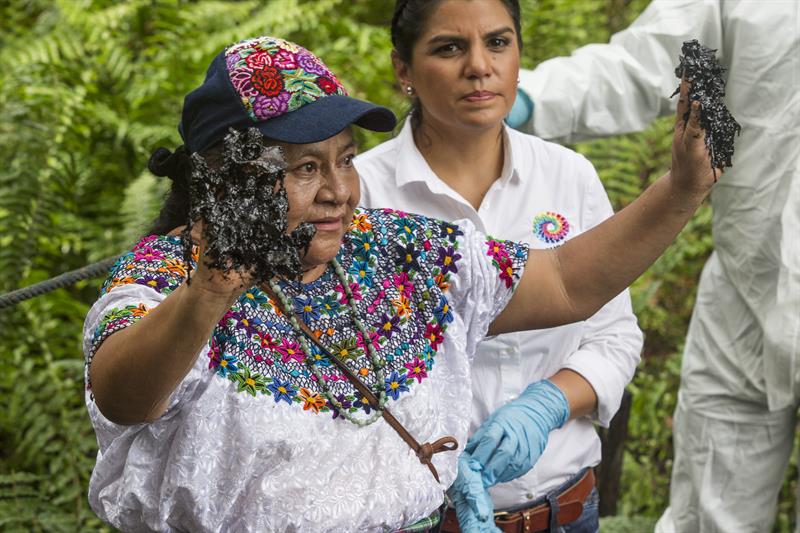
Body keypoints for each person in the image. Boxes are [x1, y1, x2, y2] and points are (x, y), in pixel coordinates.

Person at [83, 34, 714, 532]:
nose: (338, 192)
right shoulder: (163, 277)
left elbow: (566, 282)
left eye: (347, 159)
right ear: (226, 180)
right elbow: (123, 396)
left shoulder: (394, 249)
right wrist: (210, 290)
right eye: (307, 167)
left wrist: (682, 187)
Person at [507, 1, 800, 531]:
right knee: (707, 512)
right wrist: (525, 96)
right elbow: (645, 60)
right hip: (746, 287)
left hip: (749, 283)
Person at [355, 1, 642, 531]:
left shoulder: (568, 176)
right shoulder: (361, 193)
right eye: (449, 47)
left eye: (498, 42)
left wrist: (549, 401)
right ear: (404, 70)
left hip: (568, 509)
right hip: (426, 517)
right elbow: (344, 368)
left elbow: (614, 334)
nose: (479, 66)